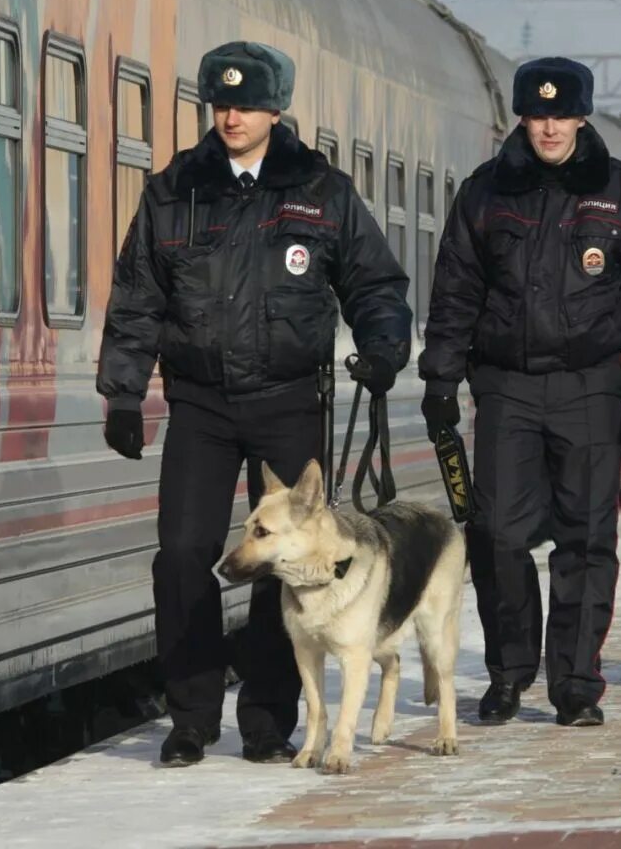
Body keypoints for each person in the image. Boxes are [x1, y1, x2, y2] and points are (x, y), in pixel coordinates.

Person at [98, 40, 411, 766]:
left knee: (287, 561)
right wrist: (122, 392)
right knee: (182, 555)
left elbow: (374, 283)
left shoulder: (320, 190)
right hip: (201, 405)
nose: (231, 115)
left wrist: (384, 348)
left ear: (277, 109)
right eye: (221, 103)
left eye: (246, 104)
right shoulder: (176, 190)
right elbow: (138, 297)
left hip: (287, 400)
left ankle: (268, 719)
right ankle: (191, 717)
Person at [419, 56, 621, 729]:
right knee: (499, 537)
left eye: (561, 114)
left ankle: (575, 684)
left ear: (581, 116)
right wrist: (441, 379)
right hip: (506, 387)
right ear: (521, 116)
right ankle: (511, 673)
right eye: (537, 115)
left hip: (592, 388)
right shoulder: (485, 193)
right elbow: (455, 292)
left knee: (587, 540)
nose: (549, 127)